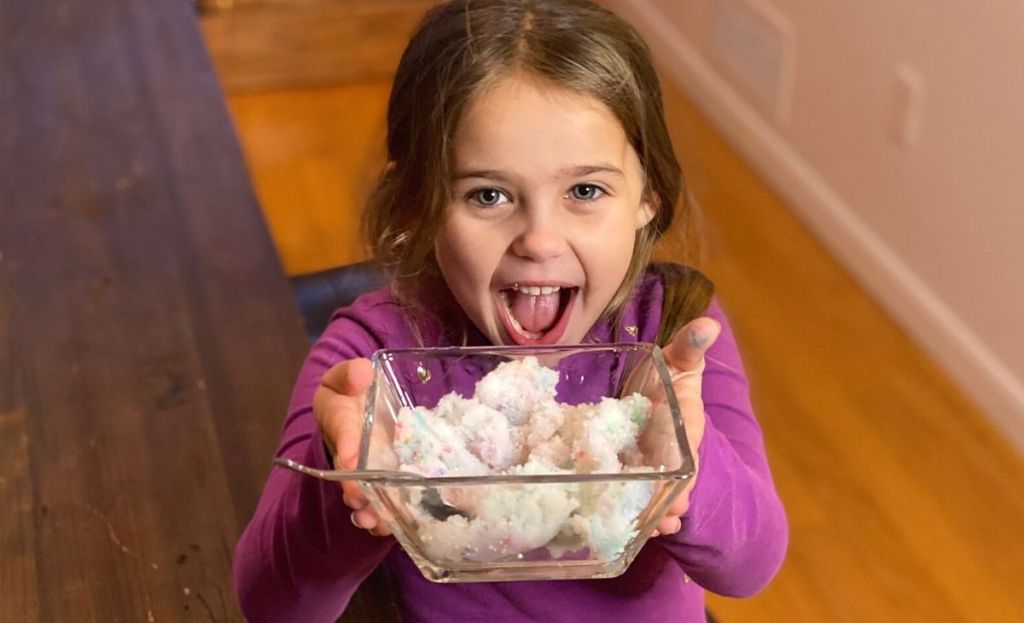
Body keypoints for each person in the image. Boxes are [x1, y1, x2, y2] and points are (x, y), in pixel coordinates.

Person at [233, 1, 788, 621]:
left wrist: (688, 461)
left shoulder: (675, 331)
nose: (540, 240)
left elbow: (753, 564)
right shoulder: (371, 361)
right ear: (417, 204)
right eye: (489, 194)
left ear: (647, 197)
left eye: (585, 190)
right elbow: (270, 604)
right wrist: (344, 483)